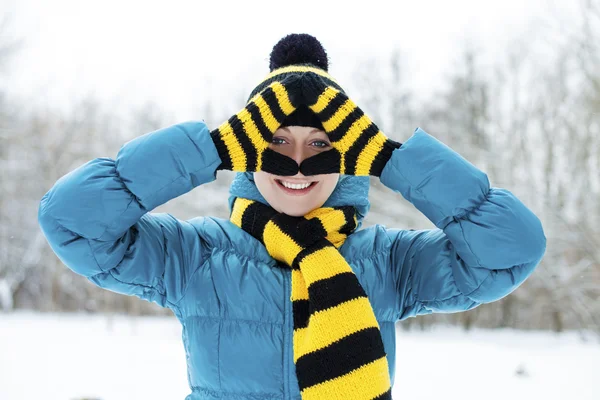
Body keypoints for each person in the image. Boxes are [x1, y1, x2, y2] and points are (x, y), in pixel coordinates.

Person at [38, 33, 547, 400]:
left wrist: (392, 159)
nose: (298, 164)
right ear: (247, 147)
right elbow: (73, 220)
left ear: (350, 153)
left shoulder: (388, 261)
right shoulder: (198, 256)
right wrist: (209, 149)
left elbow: (510, 250)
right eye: (276, 141)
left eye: (321, 144)